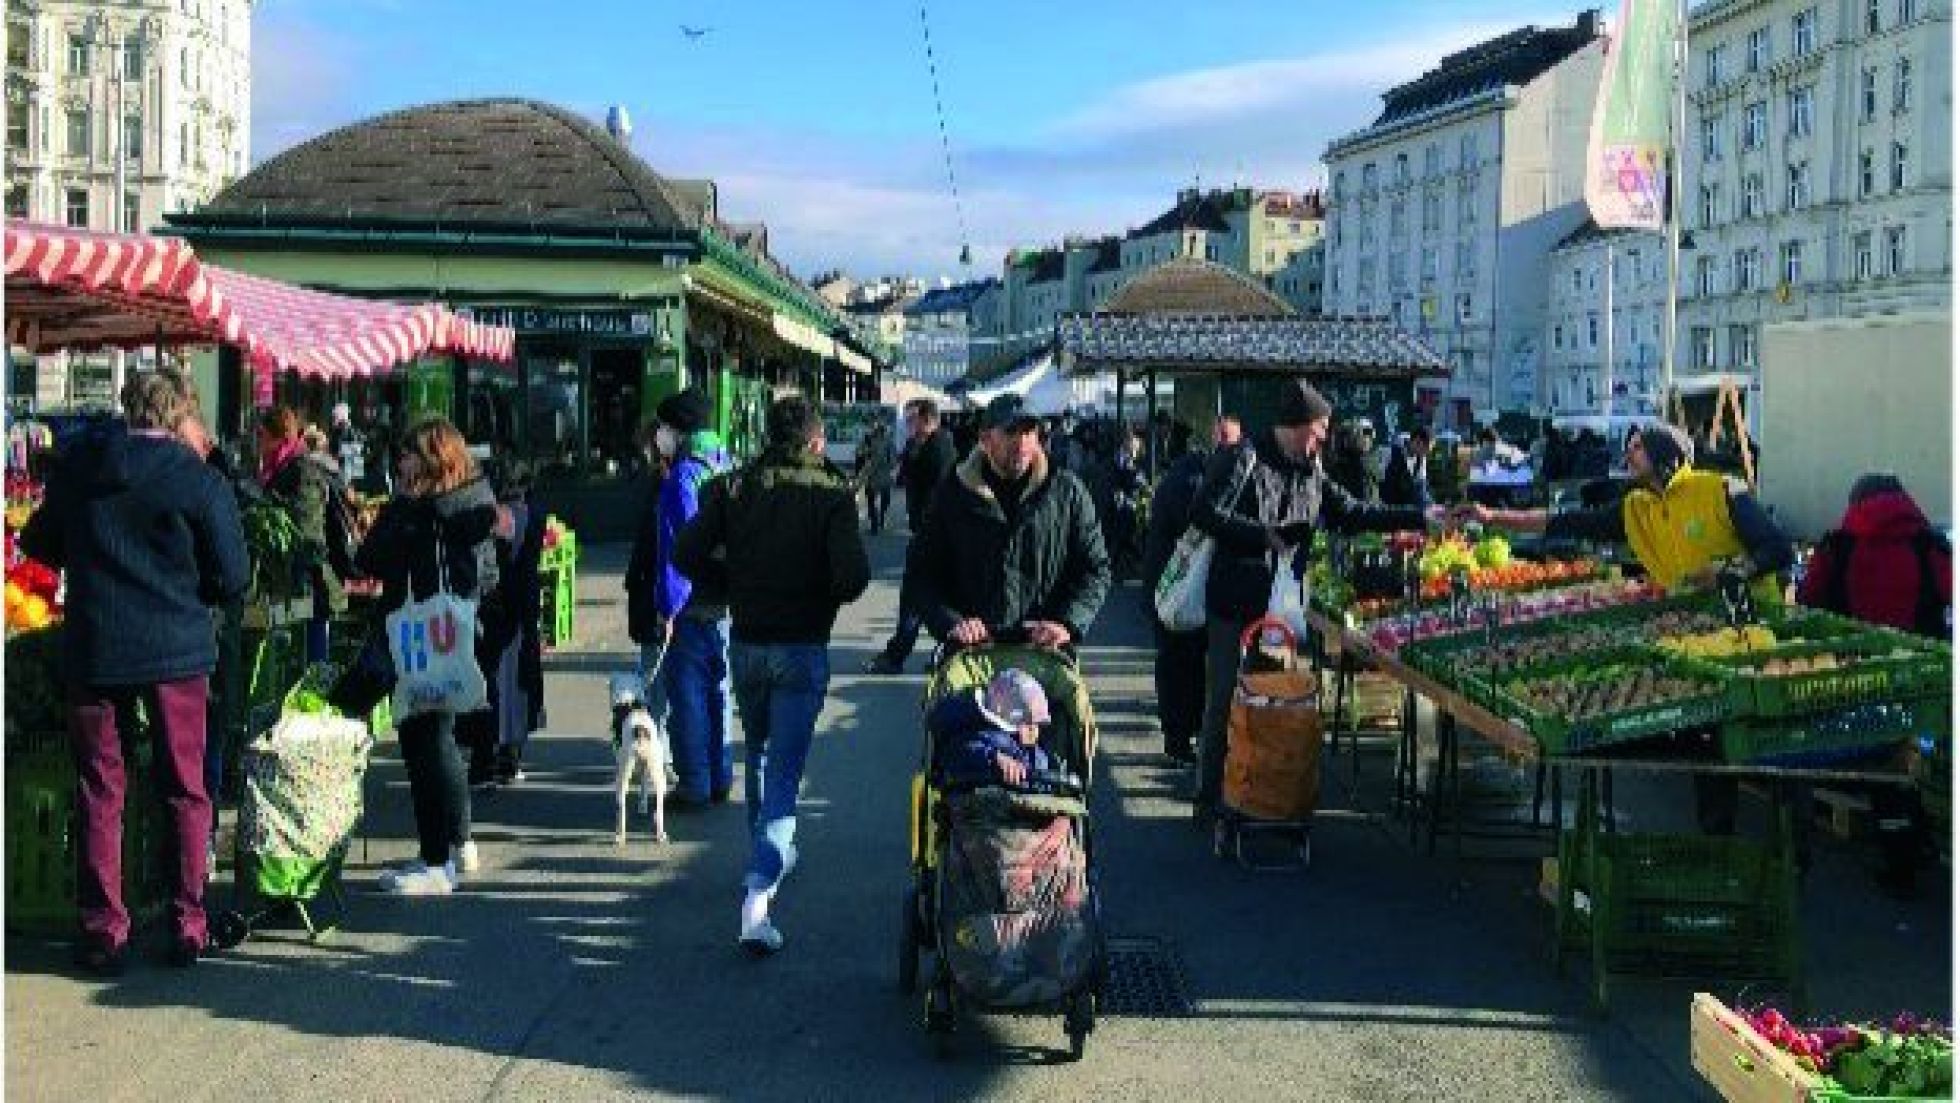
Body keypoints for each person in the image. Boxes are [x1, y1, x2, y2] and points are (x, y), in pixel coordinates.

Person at [21, 369, 250, 973]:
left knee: (101, 786)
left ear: (129, 409)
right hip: (176, 648)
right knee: (185, 786)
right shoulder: (195, 481)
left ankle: (103, 929)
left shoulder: (80, 469)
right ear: (179, 416)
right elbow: (233, 577)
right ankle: (187, 921)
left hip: (96, 644)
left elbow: (39, 543)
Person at [1469, 424, 1796, 841]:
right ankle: (1718, 841)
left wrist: (1728, 573)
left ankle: (1786, 846)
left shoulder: (1721, 490)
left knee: (1766, 737)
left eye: (1637, 448)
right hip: (1693, 636)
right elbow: (1569, 523)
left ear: (1664, 454)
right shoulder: (1636, 506)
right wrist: (1496, 517)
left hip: (1752, 631)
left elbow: (1777, 549)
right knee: (1709, 736)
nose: (1628, 456)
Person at [1189, 381, 1440, 823]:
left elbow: (1353, 512)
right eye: (1320, 431)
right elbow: (1204, 512)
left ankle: (1261, 795)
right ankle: (1211, 799)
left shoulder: (1312, 471)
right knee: (1226, 698)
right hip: (1233, 599)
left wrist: (1421, 517)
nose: (1324, 440)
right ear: (1297, 427)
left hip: (1279, 606)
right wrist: (1261, 535)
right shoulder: (1241, 458)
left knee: (1272, 701)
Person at [673, 394, 870, 956]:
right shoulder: (829, 492)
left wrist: (731, 583)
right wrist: (817, 592)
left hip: (749, 641)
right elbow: (853, 577)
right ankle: (758, 898)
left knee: (758, 753)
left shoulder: (735, 485)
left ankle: (763, 852)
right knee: (784, 771)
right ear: (813, 439)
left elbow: (685, 554)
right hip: (802, 643)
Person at [354, 416, 504, 895]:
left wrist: (400, 502)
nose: (400, 461)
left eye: (408, 453)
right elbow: (487, 572)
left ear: (431, 459)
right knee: (440, 735)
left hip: (416, 634)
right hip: (455, 630)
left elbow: (369, 558)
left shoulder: (417, 511)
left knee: (424, 739)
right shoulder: (475, 502)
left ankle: (435, 861)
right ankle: (457, 842)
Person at [1798, 473, 1951, 897]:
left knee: (1880, 762)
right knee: (1912, 752)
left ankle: (1900, 862)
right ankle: (1915, 843)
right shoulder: (1930, 544)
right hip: (1922, 674)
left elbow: (1808, 602)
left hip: (1858, 674)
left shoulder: (1838, 546)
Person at [908, 393, 1112, 653]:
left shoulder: (1067, 492)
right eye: (1011, 431)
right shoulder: (952, 494)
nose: (1022, 441)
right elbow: (922, 572)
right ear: (985, 439)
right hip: (972, 652)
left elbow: (1096, 569)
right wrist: (952, 622)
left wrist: (1067, 623)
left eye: (1029, 431)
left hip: (1046, 653)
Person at [640, 388, 734, 806]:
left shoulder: (682, 476)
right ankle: (720, 776)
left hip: (691, 600)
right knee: (719, 690)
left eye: (663, 426)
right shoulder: (724, 462)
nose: (659, 434)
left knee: (688, 695)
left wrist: (667, 608)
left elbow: (677, 548)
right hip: (726, 594)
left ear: (677, 429)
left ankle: (694, 782)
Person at [1140, 416, 1242, 765]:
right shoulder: (1192, 478)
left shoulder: (1193, 472)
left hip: (1179, 588)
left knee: (1186, 663)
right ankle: (1178, 739)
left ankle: (1183, 736)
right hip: (1174, 589)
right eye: (1226, 441)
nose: (1231, 450)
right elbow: (1200, 522)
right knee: (1179, 662)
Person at [865, 398, 957, 675]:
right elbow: (906, 478)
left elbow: (934, 490)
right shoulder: (923, 445)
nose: (907, 426)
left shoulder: (939, 447)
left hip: (935, 535)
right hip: (927, 532)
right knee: (924, 597)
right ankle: (946, 651)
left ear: (927, 420)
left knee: (916, 595)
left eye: (911, 420)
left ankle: (899, 655)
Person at [256, 406, 345, 666]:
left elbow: (308, 531)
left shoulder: (302, 469)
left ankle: (310, 691)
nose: (258, 443)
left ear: (279, 438)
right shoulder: (281, 467)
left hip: (308, 578)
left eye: (262, 435)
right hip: (290, 578)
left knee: (310, 652)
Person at [487, 459, 546, 786]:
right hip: (525, 601)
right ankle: (512, 754)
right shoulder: (534, 512)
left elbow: (499, 554)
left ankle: (502, 752)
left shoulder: (504, 517)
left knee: (502, 679)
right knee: (520, 680)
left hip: (502, 603)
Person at [930, 668, 1054, 789]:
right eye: (1029, 724)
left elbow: (1041, 774)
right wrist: (993, 757)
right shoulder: (975, 732)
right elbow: (958, 751)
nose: (1033, 729)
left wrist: (1030, 750)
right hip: (971, 796)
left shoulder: (1035, 752)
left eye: (1035, 725)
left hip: (1022, 800)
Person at [856, 417, 898, 534]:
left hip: (876, 474)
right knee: (878, 500)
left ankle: (877, 523)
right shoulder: (871, 440)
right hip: (880, 475)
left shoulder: (882, 441)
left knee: (874, 501)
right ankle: (878, 521)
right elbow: (893, 460)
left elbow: (859, 456)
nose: (870, 428)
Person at [1380, 425, 1433, 508]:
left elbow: (1421, 488)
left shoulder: (1421, 458)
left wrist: (1430, 506)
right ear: (1418, 441)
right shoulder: (1389, 452)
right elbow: (1380, 482)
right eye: (1425, 450)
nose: (1426, 454)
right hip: (1389, 508)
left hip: (1407, 510)